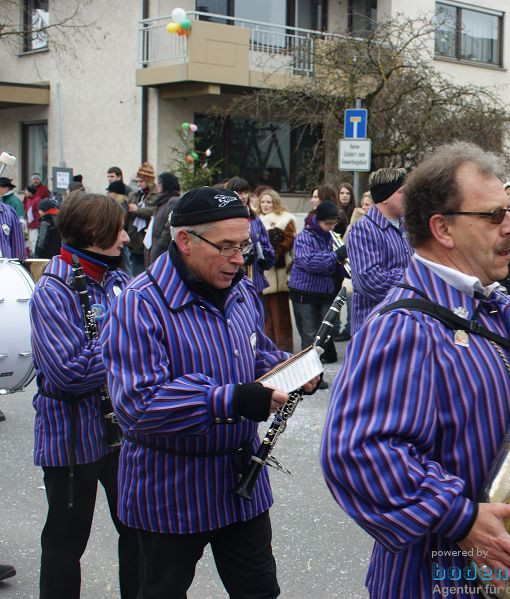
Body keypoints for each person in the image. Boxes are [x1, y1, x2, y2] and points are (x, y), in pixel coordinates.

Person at [320, 141, 510, 598]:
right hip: (436, 581)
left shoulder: (506, 308)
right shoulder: (402, 326)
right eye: (493, 216)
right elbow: (356, 453)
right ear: (442, 228)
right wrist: (459, 518)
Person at [101, 186, 318, 598]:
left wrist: (287, 371)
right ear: (185, 240)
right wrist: (232, 399)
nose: (239, 258)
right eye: (226, 246)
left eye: (244, 244)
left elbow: (253, 352)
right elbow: (138, 404)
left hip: (241, 486)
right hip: (169, 492)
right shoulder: (139, 303)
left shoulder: (239, 289)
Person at [30, 193, 139, 598]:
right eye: (119, 229)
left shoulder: (116, 279)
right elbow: (69, 373)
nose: (126, 238)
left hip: (120, 432)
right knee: (65, 541)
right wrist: (122, 341)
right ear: (95, 233)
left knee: (138, 532)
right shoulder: (54, 288)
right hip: (71, 436)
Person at [345, 167, 412, 334]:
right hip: (374, 328)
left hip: (404, 323)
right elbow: (369, 281)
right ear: (385, 197)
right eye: (402, 192)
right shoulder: (363, 230)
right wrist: (412, 278)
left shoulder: (409, 226)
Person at [289, 200, 346, 363]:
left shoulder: (331, 237)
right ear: (318, 220)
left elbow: (332, 263)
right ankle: (309, 371)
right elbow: (309, 262)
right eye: (328, 223)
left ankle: (320, 362)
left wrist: (342, 267)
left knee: (326, 332)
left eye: (334, 223)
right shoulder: (304, 237)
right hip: (304, 293)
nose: (331, 227)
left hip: (325, 291)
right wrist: (336, 256)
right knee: (310, 334)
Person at [259, 189, 297, 352]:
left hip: (280, 273)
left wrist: (274, 248)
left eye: (269, 202)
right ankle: (267, 349)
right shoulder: (255, 220)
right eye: (263, 202)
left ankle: (283, 348)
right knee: (265, 316)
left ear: (275, 202)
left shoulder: (286, 218)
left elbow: (290, 241)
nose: (266, 205)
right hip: (262, 273)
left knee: (280, 313)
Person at [225, 177, 275, 298]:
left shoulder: (254, 218)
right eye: (239, 192)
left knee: (258, 314)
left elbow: (265, 243)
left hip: (254, 276)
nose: (243, 196)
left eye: (246, 192)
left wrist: (265, 259)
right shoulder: (224, 217)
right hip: (231, 277)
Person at [125, 162, 157, 274]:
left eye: (141, 181)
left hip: (148, 238)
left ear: (149, 181)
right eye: (138, 181)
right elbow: (127, 217)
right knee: (135, 272)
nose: (139, 183)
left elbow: (155, 211)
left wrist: (138, 210)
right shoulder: (134, 195)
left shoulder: (157, 195)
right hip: (134, 239)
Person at [146, 172, 180, 264]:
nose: (157, 186)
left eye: (159, 184)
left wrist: (160, 245)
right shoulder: (161, 201)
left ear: (167, 185)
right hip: (154, 244)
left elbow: (168, 227)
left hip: (162, 249)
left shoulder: (173, 201)